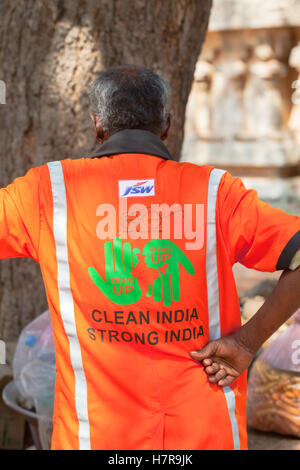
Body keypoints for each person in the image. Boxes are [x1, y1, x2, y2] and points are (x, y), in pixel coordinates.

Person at [1, 65, 300, 450]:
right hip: (203, 434)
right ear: (167, 125)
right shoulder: (215, 193)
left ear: (97, 125)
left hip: (96, 436)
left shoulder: (49, 192)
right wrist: (246, 343)